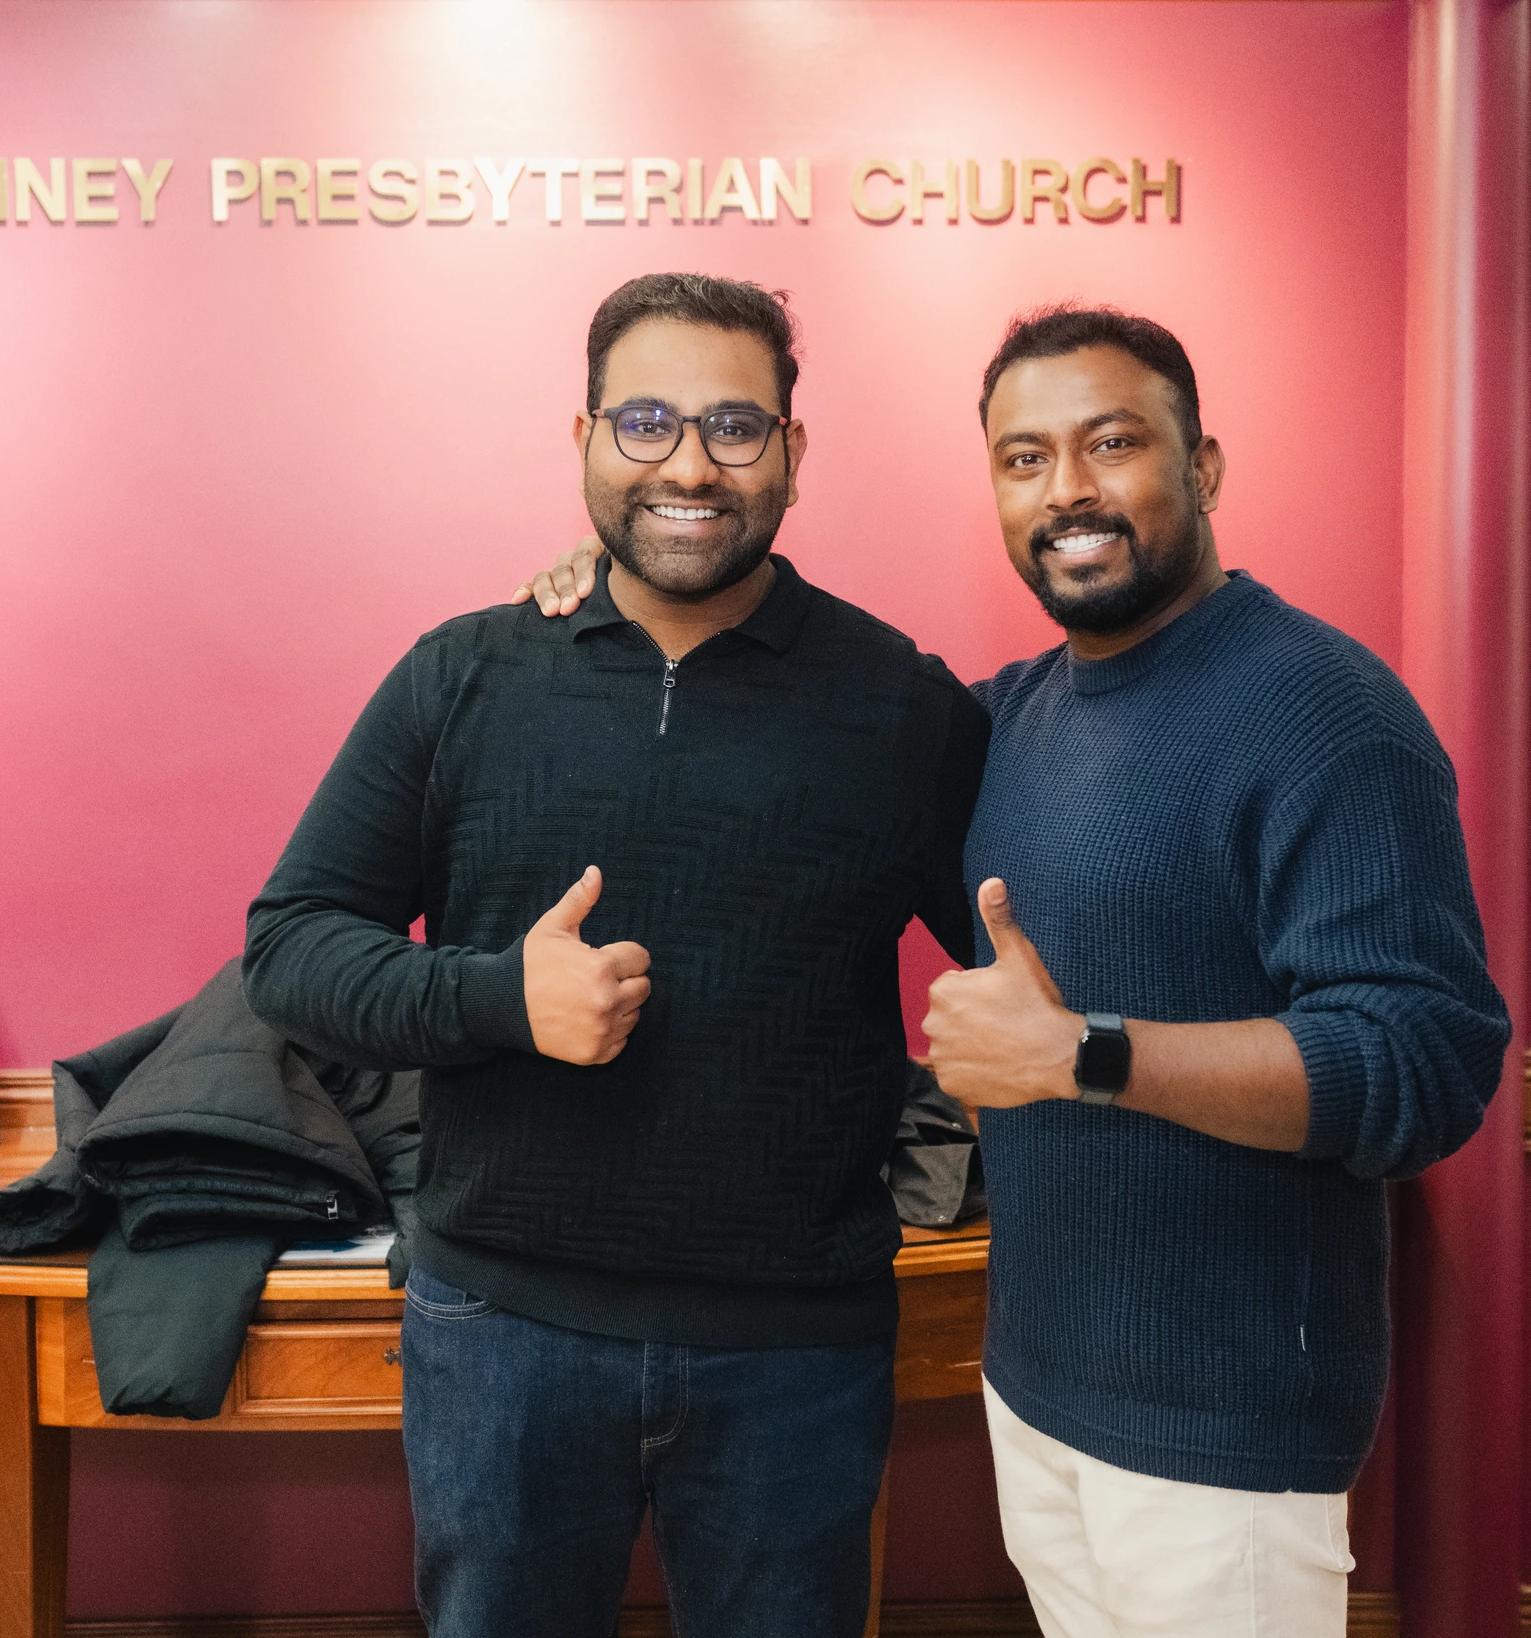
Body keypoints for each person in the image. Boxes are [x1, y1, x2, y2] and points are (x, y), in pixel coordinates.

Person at [513, 304, 1512, 1638]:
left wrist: (1088, 1053)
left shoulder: (1324, 713)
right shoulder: (1009, 719)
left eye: (1113, 445)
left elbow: (1427, 1061)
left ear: (1203, 466)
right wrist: (624, 568)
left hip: (1225, 1433)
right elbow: (815, 702)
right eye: (1026, 457)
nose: (1070, 490)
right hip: (1040, 1395)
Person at [242, 272, 989, 1638]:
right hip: (501, 1340)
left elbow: (1024, 954)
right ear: (582, 436)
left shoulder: (901, 707)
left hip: (797, 1357)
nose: (690, 463)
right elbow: (288, 950)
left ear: (794, 452)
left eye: (734, 425)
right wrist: (496, 1001)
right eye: (644, 421)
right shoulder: (462, 676)